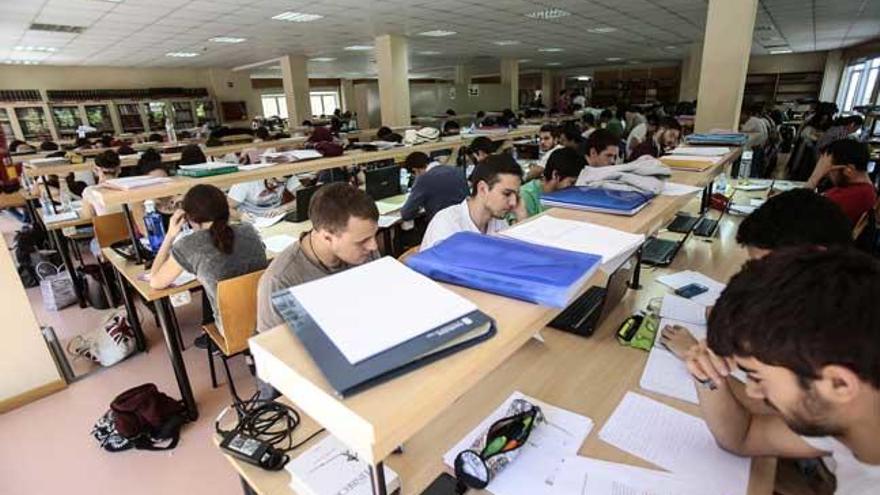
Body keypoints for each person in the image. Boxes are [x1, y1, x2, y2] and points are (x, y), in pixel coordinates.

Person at [685, 247, 880, 494]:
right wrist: (707, 378)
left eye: (756, 377)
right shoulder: (854, 413)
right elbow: (744, 436)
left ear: (839, 384)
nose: (753, 392)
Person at [661, 188, 854, 358]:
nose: (762, 280)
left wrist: (697, 356)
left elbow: (758, 399)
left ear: (815, 256)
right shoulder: (817, 291)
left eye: (768, 268)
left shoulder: (838, 335)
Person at [257, 183, 379, 333]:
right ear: (327, 237)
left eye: (374, 235)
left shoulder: (364, 251)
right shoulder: (280, 281)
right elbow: (276, 348)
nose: (373, 246)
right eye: (362, 241)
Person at [149, 185, 268, 336]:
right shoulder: (248, 230)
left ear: (189, 217)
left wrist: (170, 235)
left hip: (231, 328)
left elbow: (155, 282)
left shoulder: (188, 245)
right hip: (267, 317)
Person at [421, 153, 526, 250]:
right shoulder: (447, 225)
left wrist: (522, 217)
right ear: (482, 189)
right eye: (507, 194)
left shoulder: (499, 222)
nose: (513, 202)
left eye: (516, 195)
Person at [807, 139, 876, 226]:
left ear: (848, 170)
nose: (827, 175)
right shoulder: (862, 190)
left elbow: (797, 216)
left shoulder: (854, 196)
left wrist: (815, 177)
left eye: (827, 169)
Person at [400, 151, 469, 222]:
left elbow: (406, 214)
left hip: (442, 225)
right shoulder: (457, 171)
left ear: (415, 170)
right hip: (465, 220)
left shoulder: (423, 179)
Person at [519, 147, 585, 217]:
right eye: (571, 183)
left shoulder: (562, 195)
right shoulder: (526, 195)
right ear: (555, 175)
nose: (573, 187)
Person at [228, 175, 301, 218]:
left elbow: (303, 198)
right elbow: (226, 208)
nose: (275, 184)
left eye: (280, 183)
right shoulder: (246, 182)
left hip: (275, 218)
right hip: (251, 220)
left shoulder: (288, 176)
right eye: (273, 179)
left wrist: (284, 208)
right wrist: (240, 216)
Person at [81, 150, 122, 219]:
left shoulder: (90, 192)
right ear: (119, 169)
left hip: (107, 229)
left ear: (95, 170)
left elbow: (87, 218)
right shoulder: (131, 188)